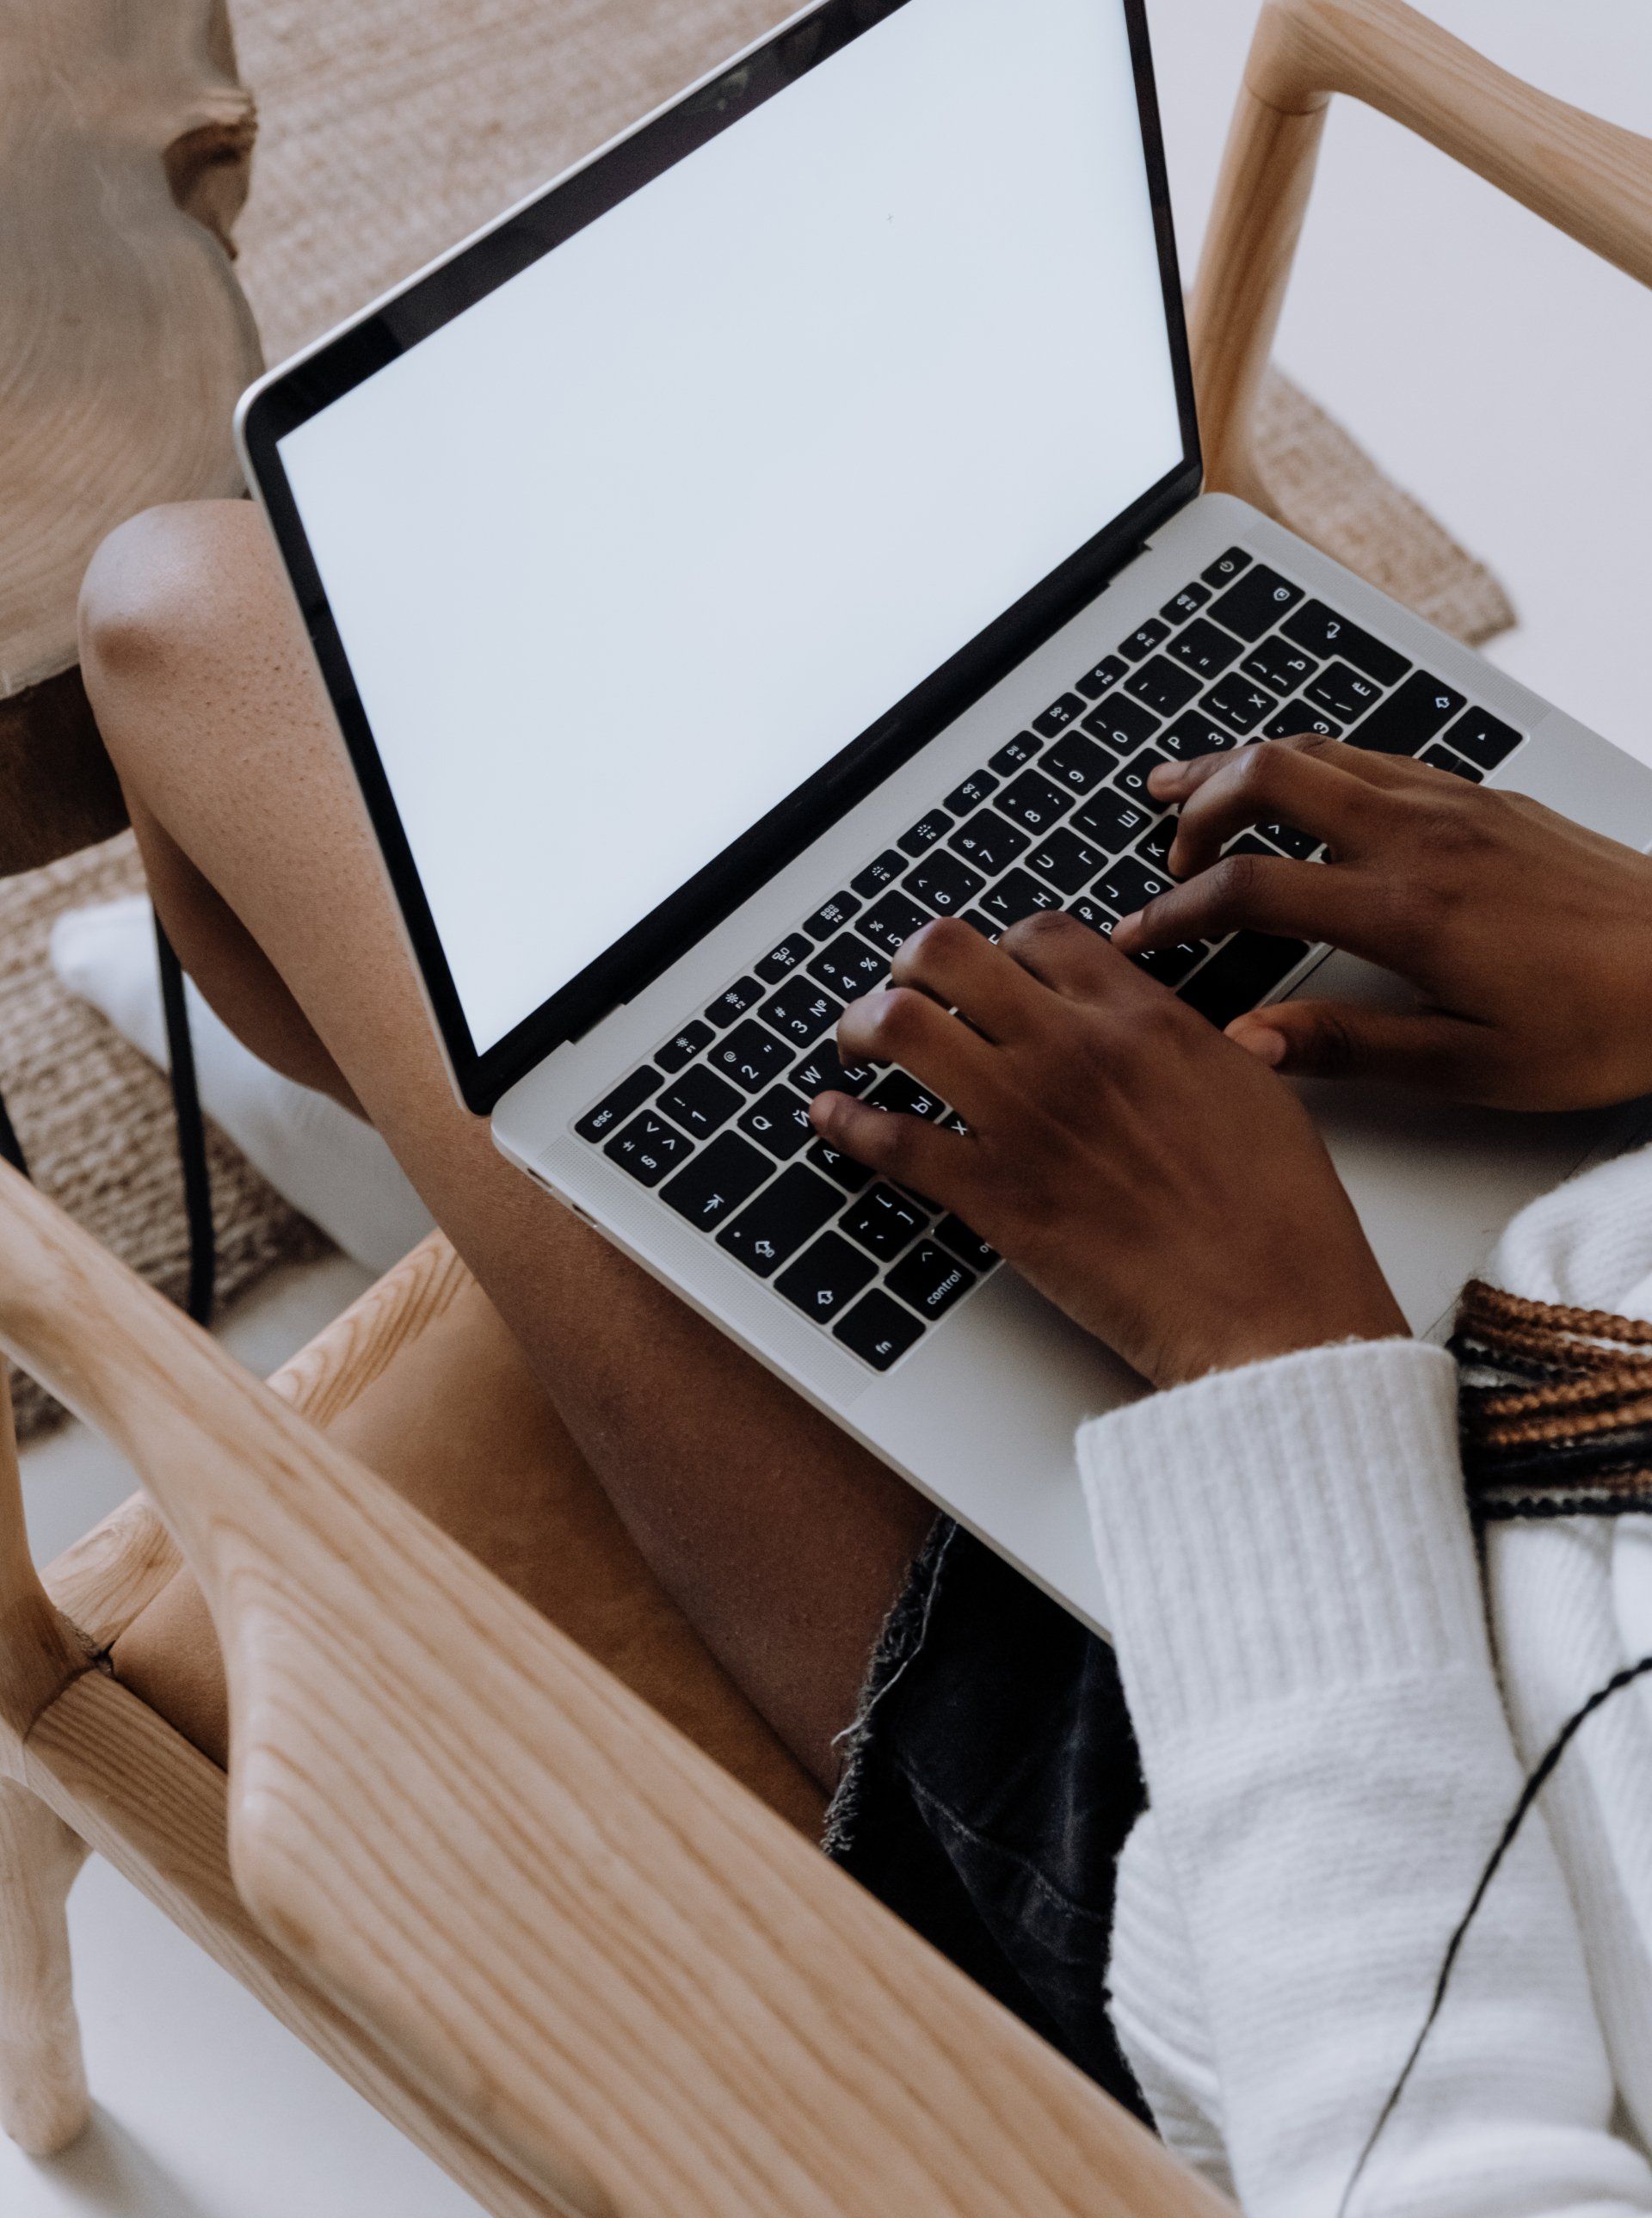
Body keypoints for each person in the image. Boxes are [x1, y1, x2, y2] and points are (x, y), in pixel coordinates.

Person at [81, 496, 1652, 2210]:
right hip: (1585, 1234)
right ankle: (505, 1154)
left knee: (194, 618)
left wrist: (1264, 1356)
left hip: (1267, 1776)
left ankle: (488, 1151)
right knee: (940, 667)